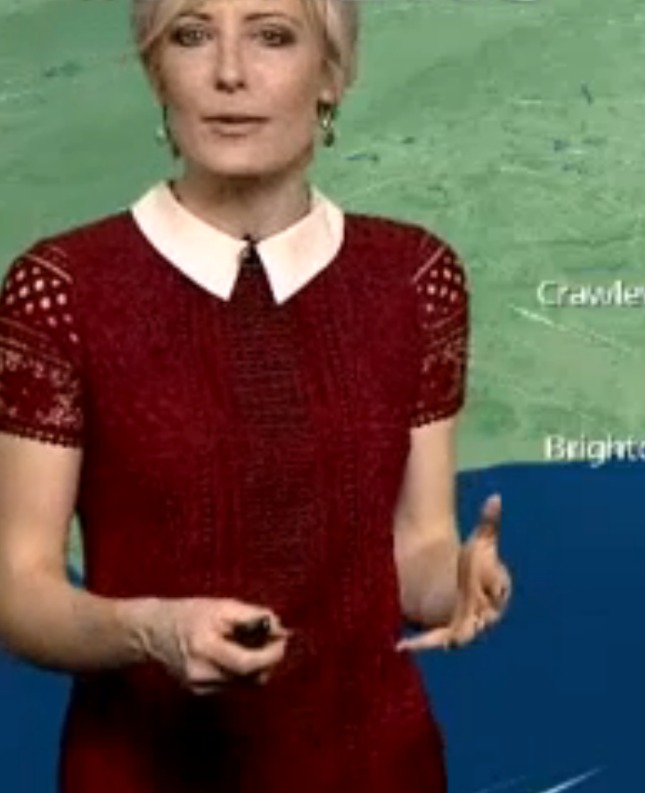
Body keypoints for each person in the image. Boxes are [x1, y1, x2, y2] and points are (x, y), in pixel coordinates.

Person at [0, 0, 511, 789]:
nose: (230, 71)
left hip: (381, 766)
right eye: (192, 34)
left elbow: (418, 550)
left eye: (272, 35)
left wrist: (461, 584)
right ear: (157, 71)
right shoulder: (60, 290)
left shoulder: (415, 279)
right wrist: (149, 629)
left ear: (331, 75)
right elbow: (19, 589)